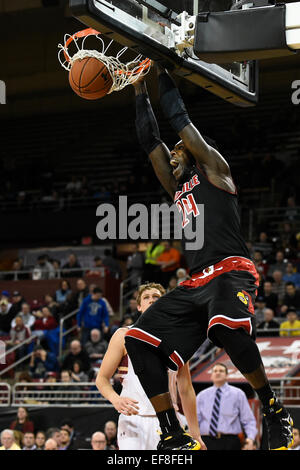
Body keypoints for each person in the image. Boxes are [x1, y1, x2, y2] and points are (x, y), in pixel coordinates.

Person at [123, 65, 293, 451]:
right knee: (138, 341)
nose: (173, 156)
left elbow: (179, 118)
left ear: (193, 151)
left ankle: (273, 409)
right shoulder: (176, 186)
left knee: (222, 326)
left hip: (232, 269)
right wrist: (138, 90)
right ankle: (173, 432)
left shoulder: (216, 170)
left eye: (179, 150)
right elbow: (150, 141)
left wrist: (162, 69)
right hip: (196, 279)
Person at [96, 282, 205, 450]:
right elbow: (101, 379)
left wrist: (195, 433)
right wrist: (115, 399)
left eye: (156, 297)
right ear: (139, 306)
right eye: (146, 297)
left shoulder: (178, 340)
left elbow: (186, 389)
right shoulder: (123, 335)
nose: (152, 300)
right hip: (133, 418)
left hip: (169, 422)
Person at [196, 363, 257, 450]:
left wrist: (250, 438)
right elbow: (195, 420)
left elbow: (248, 419)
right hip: (206, 441)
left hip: (230, 442)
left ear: (226, 375)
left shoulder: (238, 394)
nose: (218, 373)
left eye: (221, 371)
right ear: (211, 376)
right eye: (215, 371)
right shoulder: (201, 396)